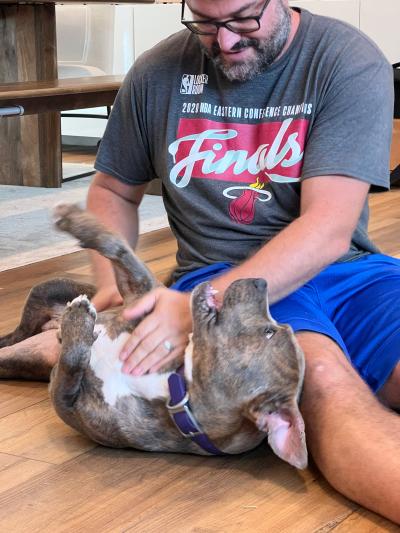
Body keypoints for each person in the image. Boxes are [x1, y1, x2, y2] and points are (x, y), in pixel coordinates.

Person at [85, 0, 400, 523]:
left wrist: (193, 309)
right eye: (206, 24)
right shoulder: (156, 73)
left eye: (242, 21)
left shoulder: (345, 59)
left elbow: (327, 229)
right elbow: (113, 189)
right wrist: (112, 280)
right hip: (221, 278)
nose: (225, 42)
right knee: (319, 379)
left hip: (346, 268)